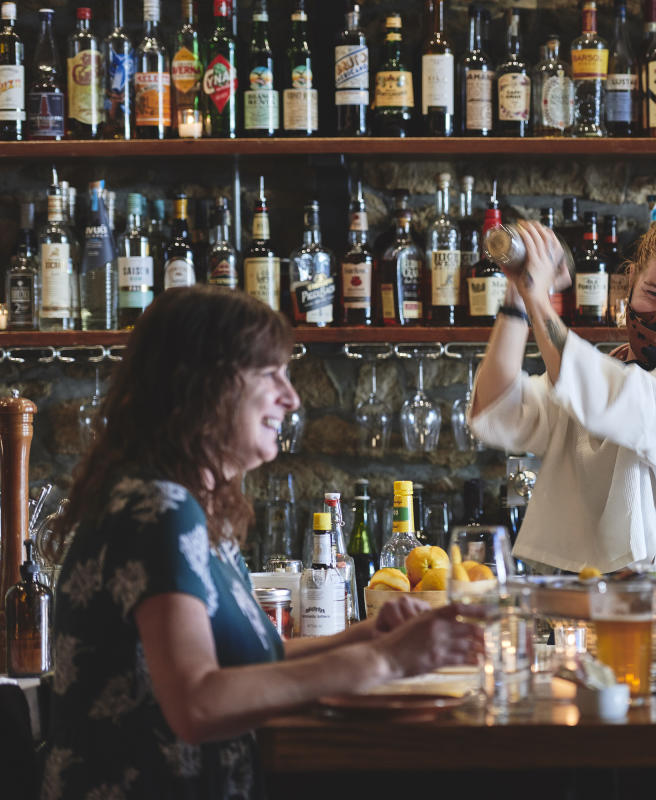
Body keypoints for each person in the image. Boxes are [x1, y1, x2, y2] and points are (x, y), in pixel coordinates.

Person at [43, 287, 482, 799]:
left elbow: (251, 663)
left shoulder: (188, 505)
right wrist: (384, 662)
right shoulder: (158, 510)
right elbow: (198, 703)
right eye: (270, 374)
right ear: (203, 385)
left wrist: (367, 637)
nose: (293, 397)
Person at [468, 188, 656, 577]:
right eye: (652, 293)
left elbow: (613, 402)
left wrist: (537, 296)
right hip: (582, 609)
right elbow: (498, 412)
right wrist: (516, 300)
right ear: (629, 282)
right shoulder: (601, 373)